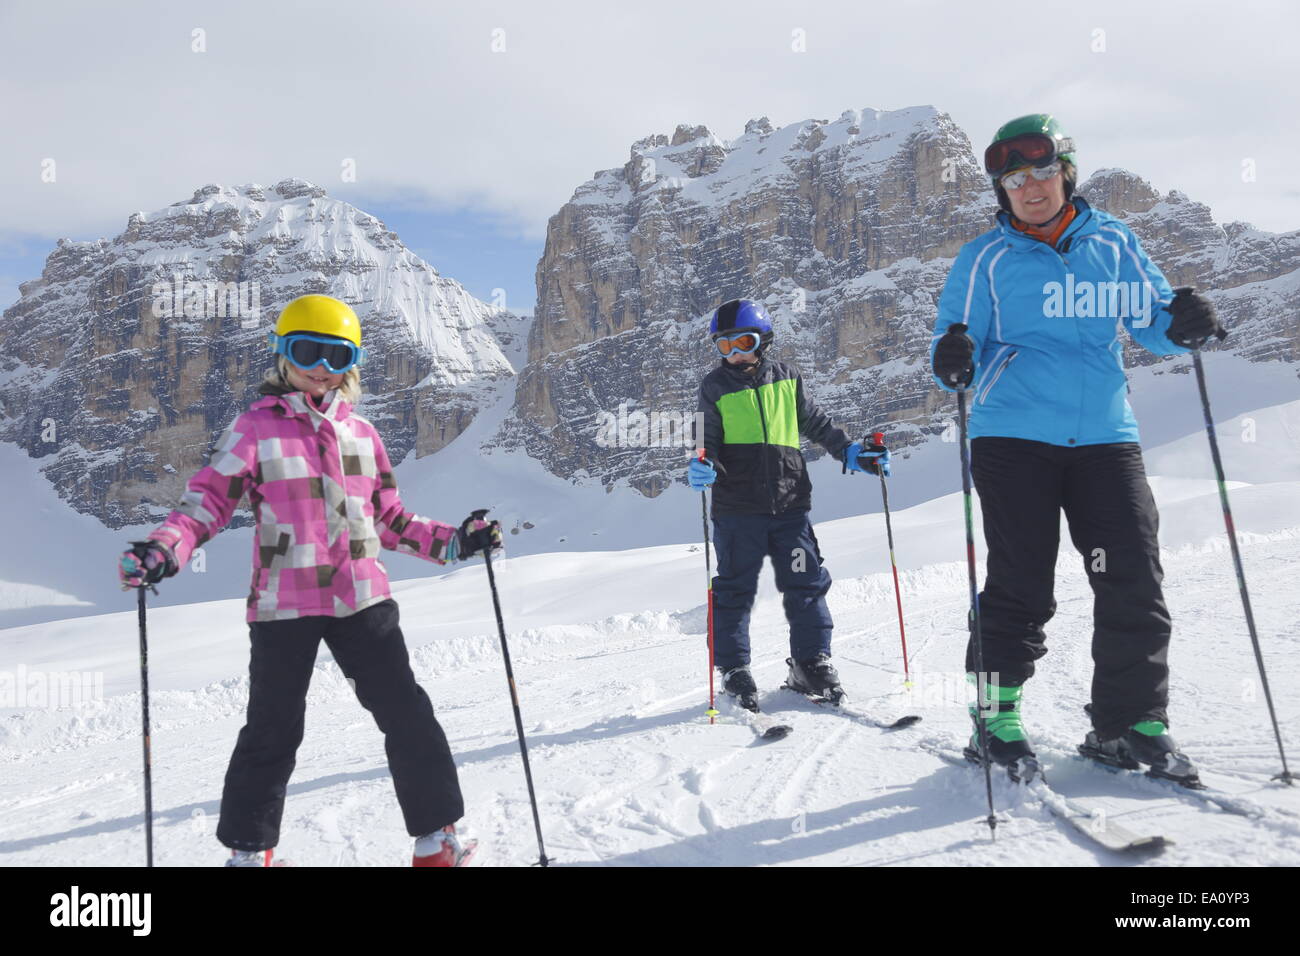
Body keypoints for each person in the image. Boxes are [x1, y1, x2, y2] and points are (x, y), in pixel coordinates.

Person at [118, 293, 504, 866]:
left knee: (407, 715)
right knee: (273, 731)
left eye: (337, 355)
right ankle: (250, 853)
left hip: (363, 598)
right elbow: (207, 504)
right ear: (282, 352)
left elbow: (390, 520)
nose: (321, 367)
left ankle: (436, 838)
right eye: (307, 350)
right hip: (284, 604)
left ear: (352, 364)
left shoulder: (363, 436)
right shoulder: (254, 430)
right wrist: (166, 549)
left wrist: (457, 539)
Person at [930, 115, 1222, 784]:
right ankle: (995, 717)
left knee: (1132, 578)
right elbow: (955, 339)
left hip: (1105, 437)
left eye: (1040, 173)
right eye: (1013, 179)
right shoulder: (986, 258)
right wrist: (954, 358)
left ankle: (1131, 725)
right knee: (1021, 581)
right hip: (1013, 438)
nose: (1028, 189)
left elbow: (1153, 323)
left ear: (1066, 171)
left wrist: (1186, 326)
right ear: (1002, 190)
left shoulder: (1114, 243)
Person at [690, 298, 889, 712]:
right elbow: (705, 440)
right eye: (724, 347)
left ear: (763, 340)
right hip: (737, 510)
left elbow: (815, 422)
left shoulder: (787, 378)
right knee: (734, 589)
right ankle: (734, 670)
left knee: (806, 583)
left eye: (743, 342)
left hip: (790, 505)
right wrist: (702, 464)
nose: (735, 353)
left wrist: (849, 452)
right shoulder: (714, 387)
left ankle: (810, 662)